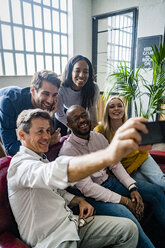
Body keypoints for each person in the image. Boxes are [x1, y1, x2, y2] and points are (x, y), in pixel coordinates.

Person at [7, 108, 149, 248]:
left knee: (128, 229)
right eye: (40, 131)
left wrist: (77, 200)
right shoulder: (20, 166)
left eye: (48, 131)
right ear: (22, 135)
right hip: (52, 238)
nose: (46, 137)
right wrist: (109, 155)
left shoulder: (41, 159)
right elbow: (54, 172)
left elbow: (55, 191)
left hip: (72, 223)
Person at [59, 105, 160, 248]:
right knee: (127, 216)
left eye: (84, 115)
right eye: (76, 118)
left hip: (110, 182)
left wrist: (132, 188)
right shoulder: (67, 151)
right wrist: (124, 201)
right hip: (91, 196)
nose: (82, 120)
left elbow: (115, 164)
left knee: (155, 191)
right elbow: (88, 188)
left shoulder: (98, 137)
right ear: (68, 124)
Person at [94, 96, 165, 190]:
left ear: (124, 109)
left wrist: (129, 170)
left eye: (120, 106)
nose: (116, 109)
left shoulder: (132, 126)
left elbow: (143, 153)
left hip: (141, 159)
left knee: (161, 182)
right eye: (112, 106)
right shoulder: (99, 130)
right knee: (153, 188)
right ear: (107, 110)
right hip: (123, 168)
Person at [0, 70, 61, 155]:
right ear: (32, 90)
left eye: (54, 95)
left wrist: (50, 115)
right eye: (45, 94)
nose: (50, 101)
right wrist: (48, 142)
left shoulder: (47, 103)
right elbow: (11, 148)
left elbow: (53, 136)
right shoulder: (9, 102)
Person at [54, 55, 100, 136]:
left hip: (81, 113)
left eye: (85, 72)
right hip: (63, 115)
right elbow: (59, 114)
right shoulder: (61, 88)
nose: (81, 75)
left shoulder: (94, 88)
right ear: (70, 72)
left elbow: (92, 111)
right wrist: (75, 128)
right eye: (77, 70)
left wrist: (94, 132)